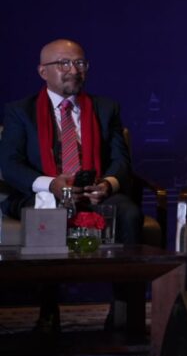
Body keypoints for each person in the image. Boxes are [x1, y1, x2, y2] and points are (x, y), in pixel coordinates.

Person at [0, 38, 142, 330]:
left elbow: (121, 160)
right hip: (44, 192)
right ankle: (48, 311)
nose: (74, 70)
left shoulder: (106, 108)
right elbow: (10, 165)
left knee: (128, 213)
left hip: (95, 192)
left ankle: (125, 312)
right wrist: (52, 185)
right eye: (63, 63)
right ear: (43, 71)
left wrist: (108, 184)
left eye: (79, 63)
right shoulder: (20, 111)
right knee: (47, 212)